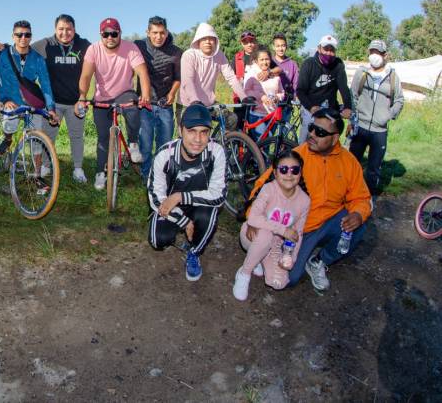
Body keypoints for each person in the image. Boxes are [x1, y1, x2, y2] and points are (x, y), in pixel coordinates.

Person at [248, 108, 372, 292]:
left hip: (329, 220)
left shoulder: (349, 162)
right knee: (289, 279)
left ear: (335, 138)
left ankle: (319, 261)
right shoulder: (296, 158)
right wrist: (252, 218)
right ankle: (272, 254)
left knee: (359, 226)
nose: (312, 134)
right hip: (297, 229)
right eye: (312, 128)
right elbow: (261, 187)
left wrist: (358, 214)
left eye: (320, 132)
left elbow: (362, 197)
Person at [146, 102, 227, 281]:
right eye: (191, 131)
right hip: (171, 208)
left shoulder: (217, 152)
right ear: (180, 130)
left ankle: (194, 251)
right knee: (157, 239)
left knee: (210, 214)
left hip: (200, 204)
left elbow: (219, 195)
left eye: (204, 132)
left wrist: (181, 196)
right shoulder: (164, 155)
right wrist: (184, 221)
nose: (198, 139)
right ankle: (185, 230)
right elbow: (155, 196)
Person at [75, 18, 151, 190]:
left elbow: (142, 73)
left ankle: (133, 144)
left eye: (114, 33)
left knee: (132, 107)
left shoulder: (130, 48)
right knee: (103, 138)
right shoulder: (93, 49)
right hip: (102, 97)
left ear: (120, 34)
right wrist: (82, 96)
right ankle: (100, 173)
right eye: (106, 34)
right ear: (101, 35)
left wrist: (145, 95)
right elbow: (86, 76)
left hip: (124, 93)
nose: (110, 37)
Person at [232, 150, 311, 300]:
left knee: (278, 282)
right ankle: (245, 272)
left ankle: (259, 258)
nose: (289, 174)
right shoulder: (269, 189)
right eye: (283, 170)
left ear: (300, 173)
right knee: (265, 236)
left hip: (275, 245)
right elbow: (253, 218)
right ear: (275, 173)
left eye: (295, 170)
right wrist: (283, 230)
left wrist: (291, 258)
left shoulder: (304, 200)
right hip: (253, 236)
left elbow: (297, 234)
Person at [31, 14, 91, 183]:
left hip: (75, 102)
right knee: (48, 137)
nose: (65, 33)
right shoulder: (45, 44)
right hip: (53, 104)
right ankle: (47, 165)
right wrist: (4, 47)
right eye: (61, 29)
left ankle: (78, 168)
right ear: (55, 29)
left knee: (77, 136)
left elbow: (100, 53)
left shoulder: (83, 45)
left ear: (74, 29)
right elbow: (24, 48)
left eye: (69, 29)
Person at [0, 20, 57, 158]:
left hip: (31, 102)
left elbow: (45, 84)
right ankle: (8, 139)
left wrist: (51, 108)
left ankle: (37, 173)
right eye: (19, 35)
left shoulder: (38, 59)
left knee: (37, 135)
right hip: (11, 100)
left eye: (27, 35)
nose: (23, 38)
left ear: (31, 36)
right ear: (13, 36)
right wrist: (3, 99)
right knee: (9, 122)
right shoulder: (3, 54)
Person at [349, 39, 404, 197]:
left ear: (384, 55)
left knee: (374, 168)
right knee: (352, 163)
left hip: (379, 130)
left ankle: (369, 198)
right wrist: (353, 119)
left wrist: (388, 115)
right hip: (360, 126)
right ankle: (347, 195)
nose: (374, 56)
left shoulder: (393, 76)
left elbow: (399, 100)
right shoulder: (361, 72)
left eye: (378, 53)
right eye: (372, 52)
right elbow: (353, 96)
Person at [135, 15, 182, 180]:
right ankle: (146, 175)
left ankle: (160, 175)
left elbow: (178, 77)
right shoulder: (139, 47)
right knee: (146, 144)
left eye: (162, 33)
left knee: (164, 144)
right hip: (144, 105)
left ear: (166, 32)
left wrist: (172, 93)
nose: (158, 37)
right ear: (148, 32)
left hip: (165, 105)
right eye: (154, 32)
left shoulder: (176, 52)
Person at [295, 35, 352, 144]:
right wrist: (311, 107)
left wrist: (348, 107)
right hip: (310, 107)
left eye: (332, 50)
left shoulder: (338, 65)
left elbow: (344, 88)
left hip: (330, 109)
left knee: (329, 142)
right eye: (326, 49)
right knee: (306, 141)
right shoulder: (309, 63)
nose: (328, 53)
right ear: (319, 48)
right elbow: (300, 90)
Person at [178, 23, 247, 108]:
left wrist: (244, 97)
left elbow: (231, 77)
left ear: (215, 41)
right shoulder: (189, 55)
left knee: (231, 119)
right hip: (188, 103)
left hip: (208, 103)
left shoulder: (219, 55)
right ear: (198, 41)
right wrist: (194, 100)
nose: (207, 42)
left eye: (211, 38)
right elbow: (187, 81)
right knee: (197, 121)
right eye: (204, 39)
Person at [243, 47, 285, 140]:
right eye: (261, 60)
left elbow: (281, 93)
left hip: (272, 115)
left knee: (268, 143)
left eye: (267, 59)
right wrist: (261, 97)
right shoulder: (252, 74)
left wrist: (277, 97)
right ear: (256, 61)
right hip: (257, 115)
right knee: (261, 141)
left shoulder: (275, 77)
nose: (265, 62)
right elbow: (246, 90)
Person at [271, 32, 299, 101]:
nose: (280, 49)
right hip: (272, 103)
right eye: (278, 46)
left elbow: (296, 85)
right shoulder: (269, 62)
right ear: (273, 47)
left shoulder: (293, 64)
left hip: (288, 103)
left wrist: (295, 99)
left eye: (283, 45)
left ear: (286, 46)